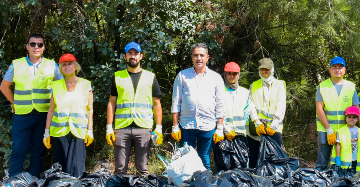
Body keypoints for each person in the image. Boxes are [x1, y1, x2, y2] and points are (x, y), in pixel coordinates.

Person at [0, 33, 63, 177]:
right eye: (33, 44)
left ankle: (33, 184)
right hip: (22, 116)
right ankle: (14, 184)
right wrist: (15, 103)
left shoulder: (52, 65)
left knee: (39, 151)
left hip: (43, 116)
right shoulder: (17, 64)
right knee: (18, 149)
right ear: (27, 47)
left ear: (43, 48)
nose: (36, 47)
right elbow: (4, 87)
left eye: (39, 44)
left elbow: (62, 87)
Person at [105, 42, 163, 175]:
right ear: (124, 56)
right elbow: (111, 103)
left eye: (136, 53)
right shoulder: (117, 76)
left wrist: (158, 128)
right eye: (130, 53)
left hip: (143, 127)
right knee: (120, 168)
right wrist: (109, 127)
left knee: (143, 168)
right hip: (122, 128)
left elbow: (157, 103)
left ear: (141, 56)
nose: (133, 56)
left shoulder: (150, 77)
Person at [171, 43, 225, 170]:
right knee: (185, 158)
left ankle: (204, 186)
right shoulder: (182, 76)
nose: (198, 58)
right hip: (186, 125)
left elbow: (221, 104)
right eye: (195, 55)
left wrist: (220, 127)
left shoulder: (215, 78)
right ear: (191, 57)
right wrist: (174, 126)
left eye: (202, 55)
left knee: (204, 158)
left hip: (208, 125)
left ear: (207, 57)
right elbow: (176, 101)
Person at [43, 54, 93, 177]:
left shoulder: (86, 85)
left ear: (76, 67)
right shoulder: (56, 86)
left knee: (77, 167)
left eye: (69, 64)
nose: (67, 67)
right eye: (63, 65)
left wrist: (90, 130)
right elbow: (51, 110)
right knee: (62, 167)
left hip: (78, 132)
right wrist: (46, 132)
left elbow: (89, 109)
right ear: (60, 69)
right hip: (59, 132)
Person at [315, 56, 360, 170]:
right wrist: (329, 129)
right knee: (322, 161)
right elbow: (319, 109)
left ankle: (340, 184)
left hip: (345, 129)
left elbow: (357, 109)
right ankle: (319, 184)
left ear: (344, 70)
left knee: (343, 160)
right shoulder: (323, 86)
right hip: (325, 129)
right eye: (334, 67)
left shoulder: (350, 87)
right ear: (330, 70)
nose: (337, 70)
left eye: (340, 67)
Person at [246, 58, 287, 168]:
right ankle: (254, 182)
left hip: (274, 129)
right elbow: (251, 105)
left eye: (267, 69)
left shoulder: (280, 85)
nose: (265, 71)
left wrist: (273, 125)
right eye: (262, 69)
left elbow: (281, 106)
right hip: (257, 129)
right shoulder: (254, 85)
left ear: (272, 69)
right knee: (254, 160)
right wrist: (257, 123)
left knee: (274, 161)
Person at [216, 61, 250, 171]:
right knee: (223, 168)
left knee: (242, 170)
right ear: (225, 74)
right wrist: (225, 129)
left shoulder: (245, 92)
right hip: (223, 136)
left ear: (238, 75)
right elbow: (214, 112)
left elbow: (248, 111)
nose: (232, 76)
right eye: (229, 73)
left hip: (240, 137)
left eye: (234, 74)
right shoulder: (219, 92)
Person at [332, 106, 360, 171]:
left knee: (355, 178)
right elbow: (338, 145)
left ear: (357, 119)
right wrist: (337, 158)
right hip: (345, 161)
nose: (351, 119)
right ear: (346, 118)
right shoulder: (341, 131)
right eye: (349, 117)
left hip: (356, 160)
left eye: (354, 117)